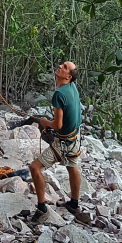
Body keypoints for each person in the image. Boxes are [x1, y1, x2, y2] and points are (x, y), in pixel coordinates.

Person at [28, 60, 83, 223]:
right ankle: (74, 204)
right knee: (72, 166)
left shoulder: (59, 94)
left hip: (64, 142)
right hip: (76, 136)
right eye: (62, 64)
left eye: (65, 67)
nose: (60, 66)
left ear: (68, 76)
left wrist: (46, 123)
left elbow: (57, 125)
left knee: (34, 167)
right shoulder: (72, 88)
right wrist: (51, 122)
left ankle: (42, 209)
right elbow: (65, 115)